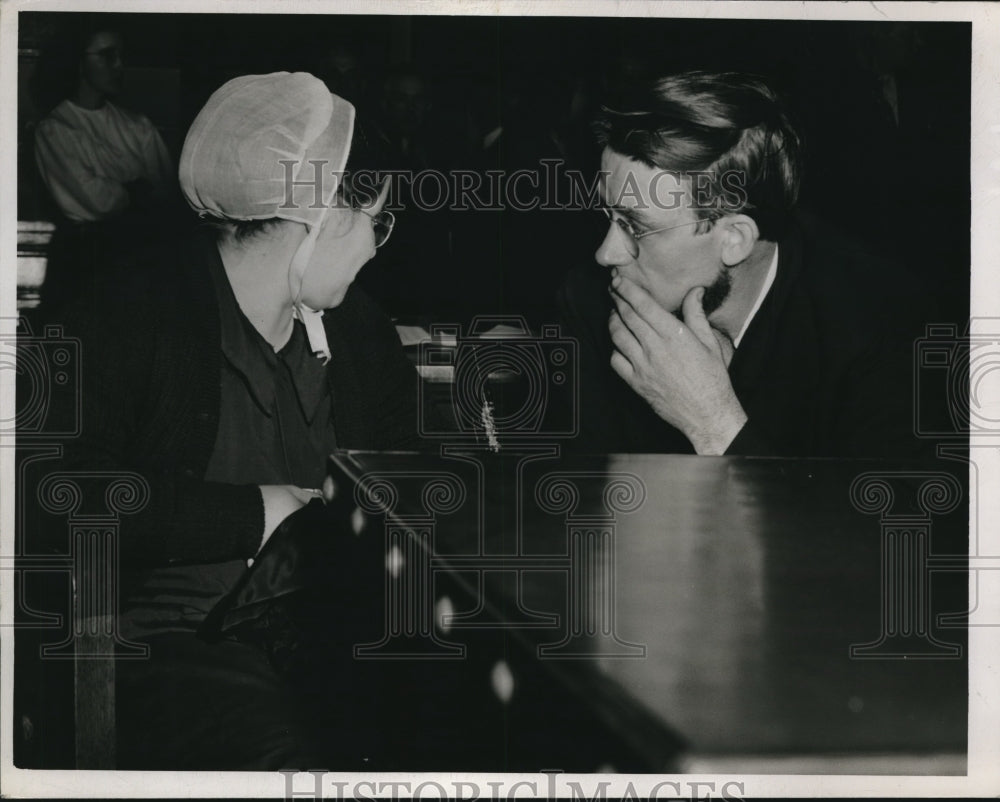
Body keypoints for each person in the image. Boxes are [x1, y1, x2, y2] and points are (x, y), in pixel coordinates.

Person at [49, 71, 419, 769]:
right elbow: (60, 494)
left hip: (332, 637)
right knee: (291, 755)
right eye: (379, 222)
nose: (376, 248)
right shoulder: (128, 314)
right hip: (177, 648)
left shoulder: (360, 333)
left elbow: (414, 476)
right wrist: (259, 513)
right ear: (328, 216)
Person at [557, 70, 935, 458]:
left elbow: (874, 516)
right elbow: (586, 499)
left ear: (735, 239)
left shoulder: (882, 321)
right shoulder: (590, 298)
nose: (605, 254)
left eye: (635, 226)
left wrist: (713, 424)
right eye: (609, 215)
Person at [31, 21, 177, 312]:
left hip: (141, 257)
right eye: (108, 55)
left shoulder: (138, 126)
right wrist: (136, 192)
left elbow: (166, 190)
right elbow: (95, 201)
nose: (119, 65)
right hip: (86, 262)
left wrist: (133, 194)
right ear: (78, 62)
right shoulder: (55, 130)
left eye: (121, 55)